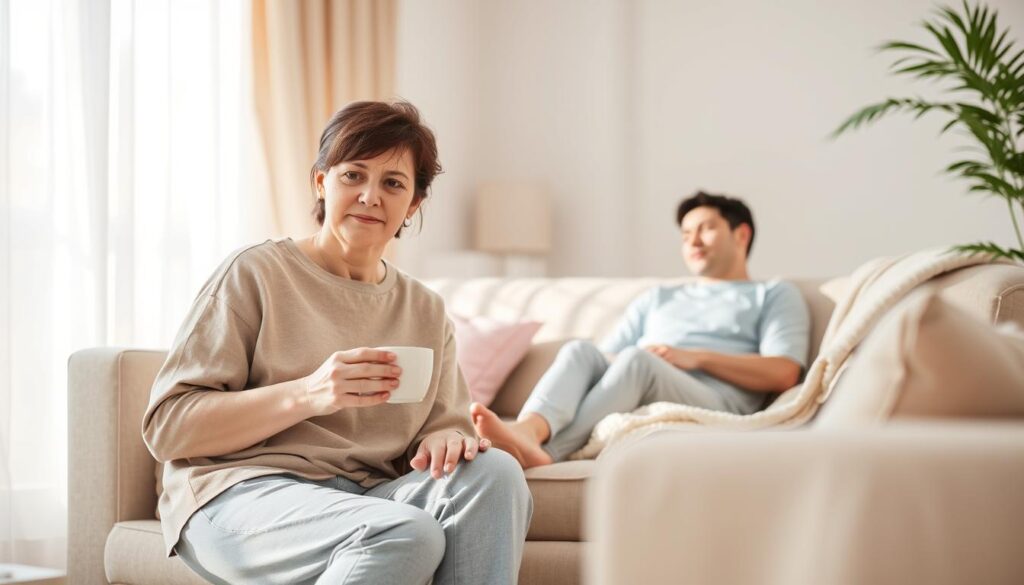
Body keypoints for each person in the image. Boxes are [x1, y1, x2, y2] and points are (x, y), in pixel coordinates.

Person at [142, 101, 532, 585]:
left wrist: (445, 439)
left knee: (496, 474)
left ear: (413, 205)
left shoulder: (425, 309)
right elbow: (167, 428)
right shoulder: (256, 274)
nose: (370, 196)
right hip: (238, 494)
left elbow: (446, 430)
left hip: (364, 498)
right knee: (404, 532)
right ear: (321, 182)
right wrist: (309, 393)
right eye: (353, 175)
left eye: (392, 183)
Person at [471, 191, 811, 468]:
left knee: (638, 361)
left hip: (718, 397)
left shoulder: (773, 293)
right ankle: (529, 430)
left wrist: (696, 358)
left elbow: (784, 372)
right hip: (645, 374)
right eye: (686, 234)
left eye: (706, 228)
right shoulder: (660, 296)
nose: (693, 241)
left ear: (741, 234)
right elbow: (607, 356)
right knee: (580, 350)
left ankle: (552, 451)